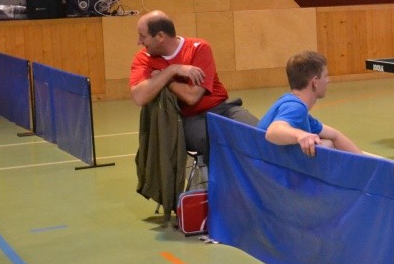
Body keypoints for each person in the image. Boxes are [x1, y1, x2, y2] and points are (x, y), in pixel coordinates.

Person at [130, 10, 258, 159]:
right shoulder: (143, 59)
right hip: (189, 119)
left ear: (160, 36)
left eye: (142, 36)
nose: (139, 42)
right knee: (219, 145)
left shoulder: (199, 48)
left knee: (260, 134)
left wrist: (166, 79)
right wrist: (172, 71)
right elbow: (139, 97)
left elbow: (192, 96)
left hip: (223, 109)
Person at [258, 51, 362, 155]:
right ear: (315, 82)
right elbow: (273, 131)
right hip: (267, 163)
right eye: (325, 76)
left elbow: (335, 135)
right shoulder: (296, 108)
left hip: (264, 157)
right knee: (326, 145)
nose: (328, 80)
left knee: (328, 142)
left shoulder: (290, 102)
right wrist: (301, 135)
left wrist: (365, 162)